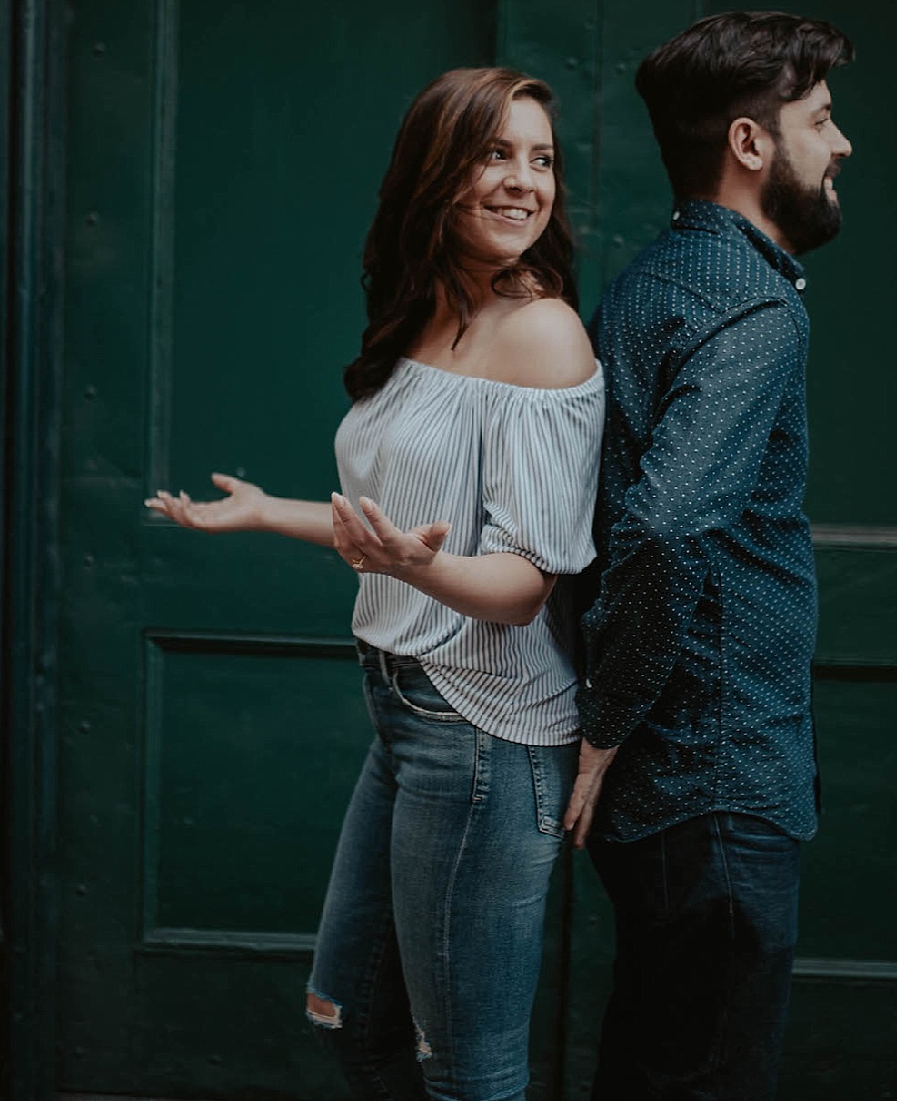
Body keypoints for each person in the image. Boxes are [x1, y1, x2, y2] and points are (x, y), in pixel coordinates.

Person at [147, 66, 602, 1101]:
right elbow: (393, 532)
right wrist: (267, 510)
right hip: (405, 713)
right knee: (352, 1022)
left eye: (540, 159)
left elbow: (523, 586)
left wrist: (419, 566)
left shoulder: (541, 332)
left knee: (468, 1072)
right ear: (435, 171)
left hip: (484, 733)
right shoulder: (430, 313)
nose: (524, 181)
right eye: (495, 153)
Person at [559, 11, 855, 1098]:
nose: (841, 144)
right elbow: (667, 522)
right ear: (748, 143)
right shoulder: (753, 309)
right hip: (716, 783)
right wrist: (605, 725)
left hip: (676, 792)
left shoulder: (651, 282)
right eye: (819, 120)